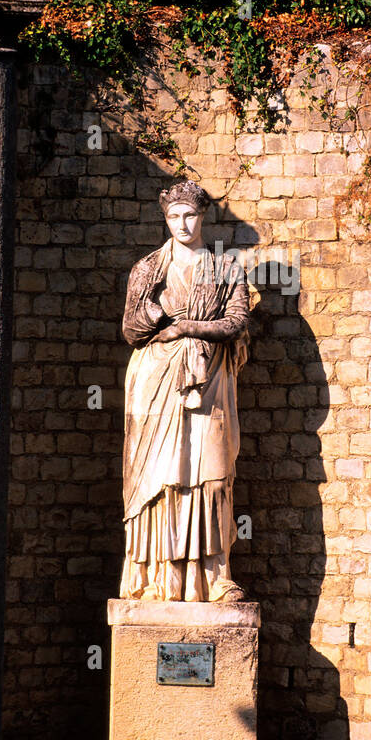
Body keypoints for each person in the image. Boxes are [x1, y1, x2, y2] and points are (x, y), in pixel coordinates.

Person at [120, 180, 250, 602]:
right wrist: (159, 316)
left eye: (190, 215)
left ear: (203, 217)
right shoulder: (147, 268)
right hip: (155, 381)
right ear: (165, 219)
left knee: (209, 475)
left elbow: (236, 323)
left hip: (209, 380)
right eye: (174, 216)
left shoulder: (225, 268)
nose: (182, 223)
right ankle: (157, 580)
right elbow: (130, 329)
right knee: (161, 479)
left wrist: (186, 327)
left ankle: (212, 577)